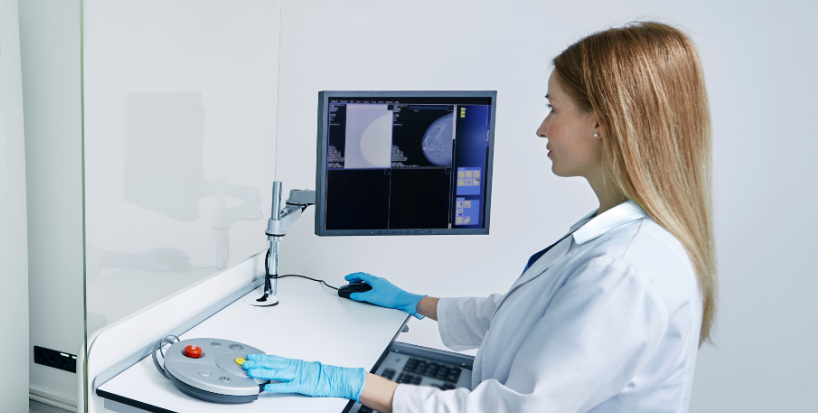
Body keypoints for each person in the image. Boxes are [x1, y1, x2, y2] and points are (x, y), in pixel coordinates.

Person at [244, 21, 717, 413]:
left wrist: (353, 383)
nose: (542, 129)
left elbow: (512, 410)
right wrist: (414, 301)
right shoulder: (620, 236)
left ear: (602, 122)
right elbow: (523, 315)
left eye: (553, 109)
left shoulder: (624, 270)